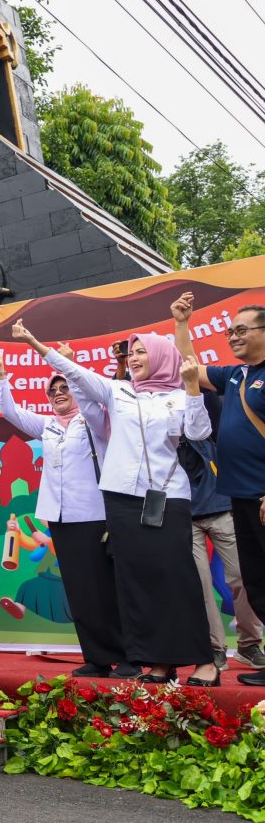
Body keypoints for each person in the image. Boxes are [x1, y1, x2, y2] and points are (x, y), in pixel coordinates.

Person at [15, 319, 218, 686]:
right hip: (122, 500)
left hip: (167, 497)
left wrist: (191, 389)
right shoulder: (118, 392)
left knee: (176, 579)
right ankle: (158, 662)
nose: (137, 357)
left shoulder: (177, 395)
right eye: (133, 352)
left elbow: (199, 432)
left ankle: (204, 661)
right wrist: (35, 342)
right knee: (136, 584)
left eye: (143, 351)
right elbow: (74, 371)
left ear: (161, 358)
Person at [0, 339, 131, 678]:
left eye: (64, 387)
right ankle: (96, 656)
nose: (59, 393)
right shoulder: (47, 425)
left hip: (96, 516)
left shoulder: (95, 421)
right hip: (61, 519)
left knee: (107, 589)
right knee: (80, 591)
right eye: (53, 391)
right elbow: (9, 411)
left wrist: (70, 367)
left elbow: (93, 394)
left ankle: (126, 655)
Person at [172, 292, 265, 683]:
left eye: (242, 330)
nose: (233, 337)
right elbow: (191, 365)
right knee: (258, 582)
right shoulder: (237, 375)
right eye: (230, 331)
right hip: (240, 496)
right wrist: (181, 323)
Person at [185, 391, 265, 672]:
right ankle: (214, 648)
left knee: (244, 577)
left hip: (221, 505)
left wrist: (193, 384)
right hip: (182, 512)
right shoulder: (154, 405)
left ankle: (249, 644)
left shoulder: (210, 404)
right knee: (201, 584)